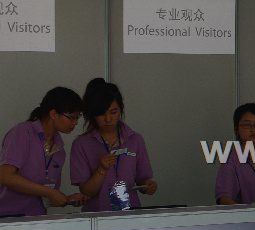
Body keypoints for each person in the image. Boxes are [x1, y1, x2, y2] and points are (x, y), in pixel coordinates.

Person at [70, 78, 157, 212]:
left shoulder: (135, 139)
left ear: (121, 109)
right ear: (93, 114)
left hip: (130, 214)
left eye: (113, 112)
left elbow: (143, 179)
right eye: (101, 114)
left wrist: (148, 186)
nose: (108, 119)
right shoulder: (81, 144)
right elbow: (86, 191)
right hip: (97, 216)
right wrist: (102, 170)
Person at [0, 87, 85, 216]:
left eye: (77, 118)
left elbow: (45, 196)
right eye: (71, 118)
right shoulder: (23, 133)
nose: (75, 123)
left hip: (37, 219)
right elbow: (4, 176)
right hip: (9, 218)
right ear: (53, 114)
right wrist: (49, 192)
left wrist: (66, 199)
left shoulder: (59, 149)